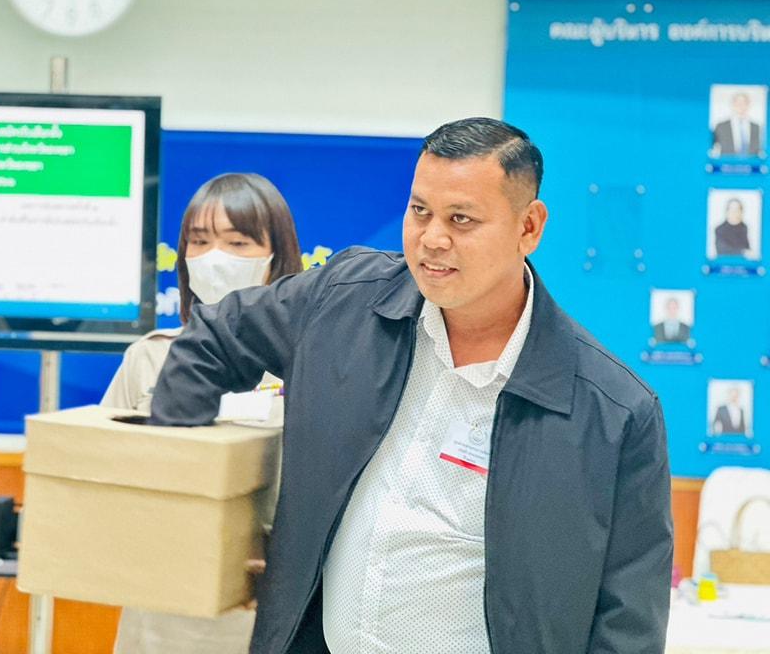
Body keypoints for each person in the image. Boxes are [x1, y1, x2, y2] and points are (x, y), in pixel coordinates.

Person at [150, 118, 673, 654]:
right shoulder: (342, 302)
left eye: (461, 219)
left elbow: (629, 621)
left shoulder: (613, 412)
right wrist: (181, 492)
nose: (432, 239)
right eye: (420, 211)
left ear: (529, 227)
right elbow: (214, 336)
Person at [101, 172, 302, 654]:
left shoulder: (313, 364)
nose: (215, 257)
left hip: (271, 613)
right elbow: (107, 475)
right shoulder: (149, 356)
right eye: (200, 241)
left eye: (238, 242)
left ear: (277, 256)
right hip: (162, 614)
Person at [712, 91, 762, 157]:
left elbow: (759, 149)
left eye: (744, 103)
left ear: (748, 105)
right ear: (732, 105)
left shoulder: (756, 127)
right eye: (738, 103)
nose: (741, 106)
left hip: (751, 162)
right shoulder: (721, 127)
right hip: (727, 162)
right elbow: (712, 148)